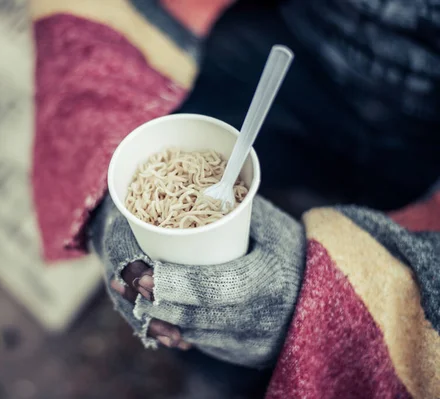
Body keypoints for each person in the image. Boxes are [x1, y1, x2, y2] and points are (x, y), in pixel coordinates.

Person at [30, 0, 440, 397]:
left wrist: (330, 308)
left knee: (290, 326)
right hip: (284, 38)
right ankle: (217, 371)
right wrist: (109, 191)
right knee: (204, 316)